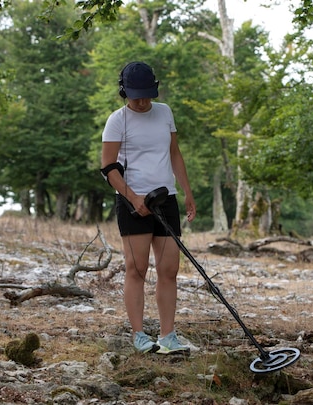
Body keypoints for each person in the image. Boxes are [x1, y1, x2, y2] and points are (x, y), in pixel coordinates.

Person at [100, 61, 196, 354]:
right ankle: (140, 335)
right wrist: (132, 197)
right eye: (135, 95)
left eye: (146, 94)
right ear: (124, 92)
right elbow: (108, 168)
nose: (141, 101)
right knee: (137, 268)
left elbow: (174, 153)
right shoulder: (117, 120)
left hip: (165, 198)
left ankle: (168, 337)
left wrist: (187, 193)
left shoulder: (164, 112)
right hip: (133, 203)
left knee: (169, 269)